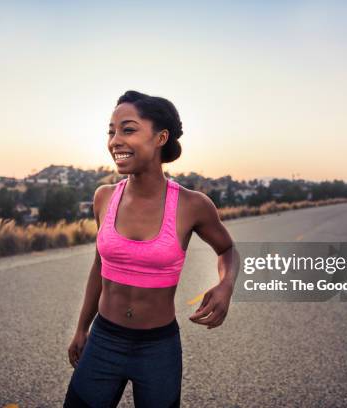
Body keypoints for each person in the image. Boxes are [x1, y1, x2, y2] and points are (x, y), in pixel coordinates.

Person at [63, 90, 239, 408]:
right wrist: (81, 328)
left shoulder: (192, 205)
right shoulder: (104, 197)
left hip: (158, 347)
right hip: (104, 339)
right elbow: (99, 267)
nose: (115, 140)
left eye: (128, 129)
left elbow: (227, 250)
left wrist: (226, 284)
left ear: (160, 137)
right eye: (111, 131)